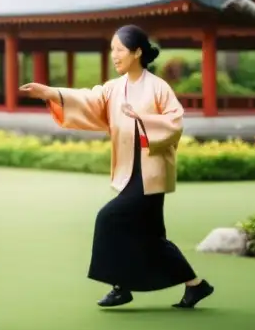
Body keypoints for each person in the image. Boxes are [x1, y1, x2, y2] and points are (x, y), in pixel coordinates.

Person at [19, 25, 214, 310]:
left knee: (109, 219)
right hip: (128, 170)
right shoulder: (114, 87)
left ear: (137, 52)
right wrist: (49, 92)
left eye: (119, 50)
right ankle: (196, 286)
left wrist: (143, 119)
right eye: (112, 50)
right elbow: (89, 99)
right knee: (150, 238)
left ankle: (120, 286)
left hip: (151, 173)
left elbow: (175, 122)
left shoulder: (158, 87)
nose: (114, 55)